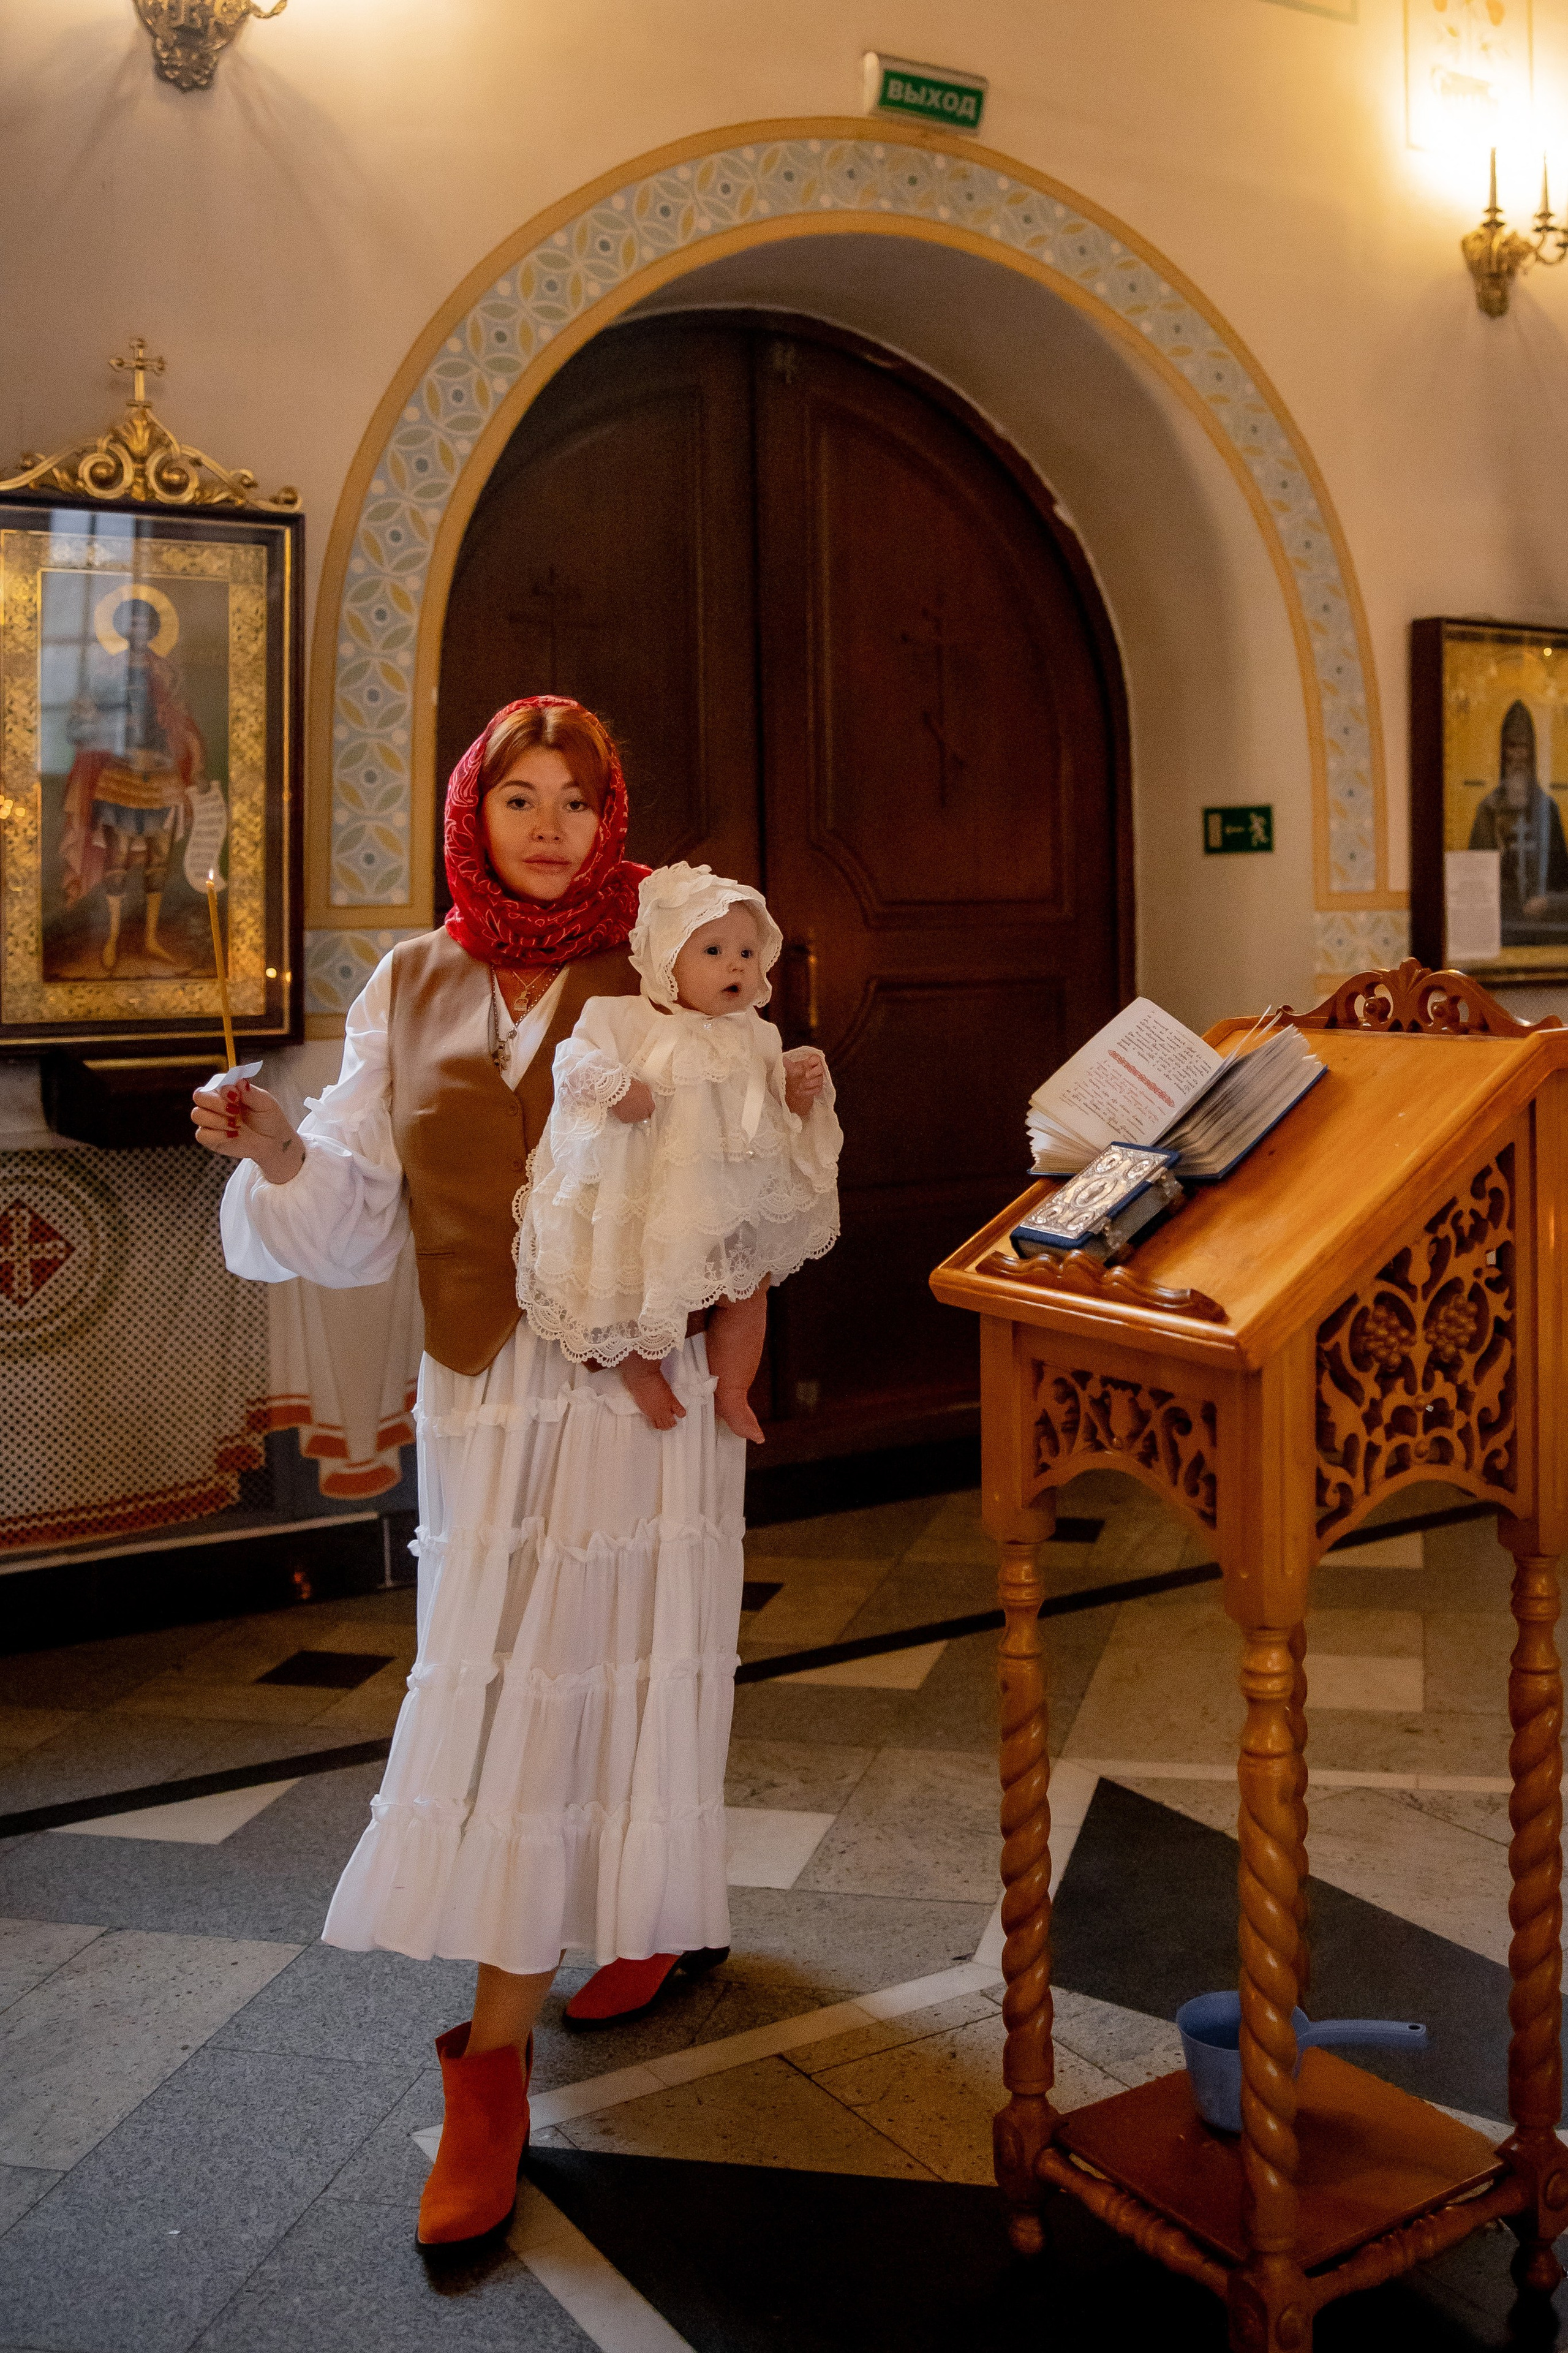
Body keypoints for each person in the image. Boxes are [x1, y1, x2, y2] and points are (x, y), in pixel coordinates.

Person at [193, 697, 745, 2251]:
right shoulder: (411, 978)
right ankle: (544, 1999)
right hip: (484, 1387)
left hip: (633, 1379)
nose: (550, 824)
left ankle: (529, 2025)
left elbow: (726, 1156)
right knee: (509, 1679)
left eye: (576, 797)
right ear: (472, 816)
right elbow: (359, 1196)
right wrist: (275, 1147)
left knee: (622, 1656)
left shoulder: (654, 957)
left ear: (609, 816)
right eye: (520, 797)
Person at [514, 862, 840, 1445]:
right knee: (645, 1282)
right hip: (656, 1194)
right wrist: (615, 1086)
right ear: (666, 957)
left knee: (750, 1288)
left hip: (735, 1195)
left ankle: (734, 1388)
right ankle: (640, 1371)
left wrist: (796, 1087)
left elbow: (779, 1108)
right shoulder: (620, 1017)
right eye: (714, 950)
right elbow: (572, 1062)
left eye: (747, 952)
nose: (736, 965)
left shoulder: (757, 1033)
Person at [59, 591, 206, 972]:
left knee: (159, 859)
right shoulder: (107, 671)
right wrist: (109, 724)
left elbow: (183, 720)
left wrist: (189, 751)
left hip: (162, 777)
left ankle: (150, 939)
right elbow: (80, 722)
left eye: (145, 623)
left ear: (154, 629)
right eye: (132, 623)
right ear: (122, 628)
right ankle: (111, 937)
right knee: (118, 857)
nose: (138, 630)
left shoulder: (167, 671)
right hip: (119, 775)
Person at [1467, 698, 1568, 942]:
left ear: (1534, 752)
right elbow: (1474, 885)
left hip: (1544, 932)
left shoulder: (1547, 809)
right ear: (1503, 752)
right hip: (1499, 929)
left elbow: (1563, 884)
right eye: (1512, 746)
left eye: (1525, 747)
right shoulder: (1489, 811)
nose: (1519, 755)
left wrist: (1548, 901)